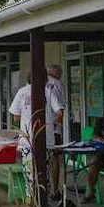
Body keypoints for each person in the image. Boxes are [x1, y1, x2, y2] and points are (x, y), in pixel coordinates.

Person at [9, 73, 64, 200]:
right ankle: (44, 202)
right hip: (47, 140)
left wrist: (26, 116)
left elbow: (15, 116)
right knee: (43, 172)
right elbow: (59, 113)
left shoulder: (22, 92)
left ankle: (31, 202)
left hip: (27, 140)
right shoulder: (49, 92)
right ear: (45, 79)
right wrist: (51, 125)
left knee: (29, 172)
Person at [46, 64, 66, 199]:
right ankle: (54, 189)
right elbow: (61, 109)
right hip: (54, 128)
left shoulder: (42, 85)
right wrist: (55, 125)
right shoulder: (58, 85)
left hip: (42, 127)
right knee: (55, 158)